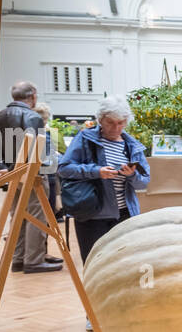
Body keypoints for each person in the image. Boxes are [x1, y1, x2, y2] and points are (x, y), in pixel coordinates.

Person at [57, 95, 150, 265]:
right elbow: (64, 169)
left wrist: (131, 175)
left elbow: (143, 182)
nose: (116, 128)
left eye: (121, 123)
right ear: (100, 119)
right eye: (110, 123)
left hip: (125, 215)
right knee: (96, 265)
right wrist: (96, 171)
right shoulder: (85, 138)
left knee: (125, 264)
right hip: (92, 215)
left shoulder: (132, 146)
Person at [0, 81, 61, 273]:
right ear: (33, 96)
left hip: (10, 175)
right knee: (35, 216)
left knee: (17, 216)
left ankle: (18, 258)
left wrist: (2, 168)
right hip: (32, 174)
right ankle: (33, 259)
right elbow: (36, 150)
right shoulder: (33, 116)